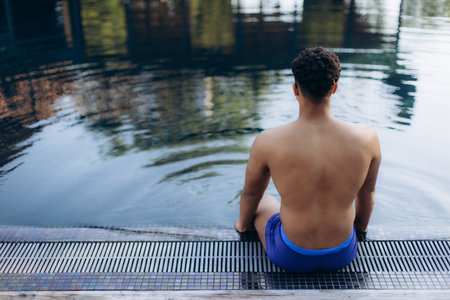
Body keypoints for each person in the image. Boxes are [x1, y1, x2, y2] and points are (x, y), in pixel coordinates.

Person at [235, 47, 381, 272]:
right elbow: (367, 193)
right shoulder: (367, 138)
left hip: (291, 254)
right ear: (334, 88)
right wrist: (359, 231)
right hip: (343, 252)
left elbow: (250, 193)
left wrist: (243, 228)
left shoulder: (268, 141)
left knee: (263, 200)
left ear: (295, 88)